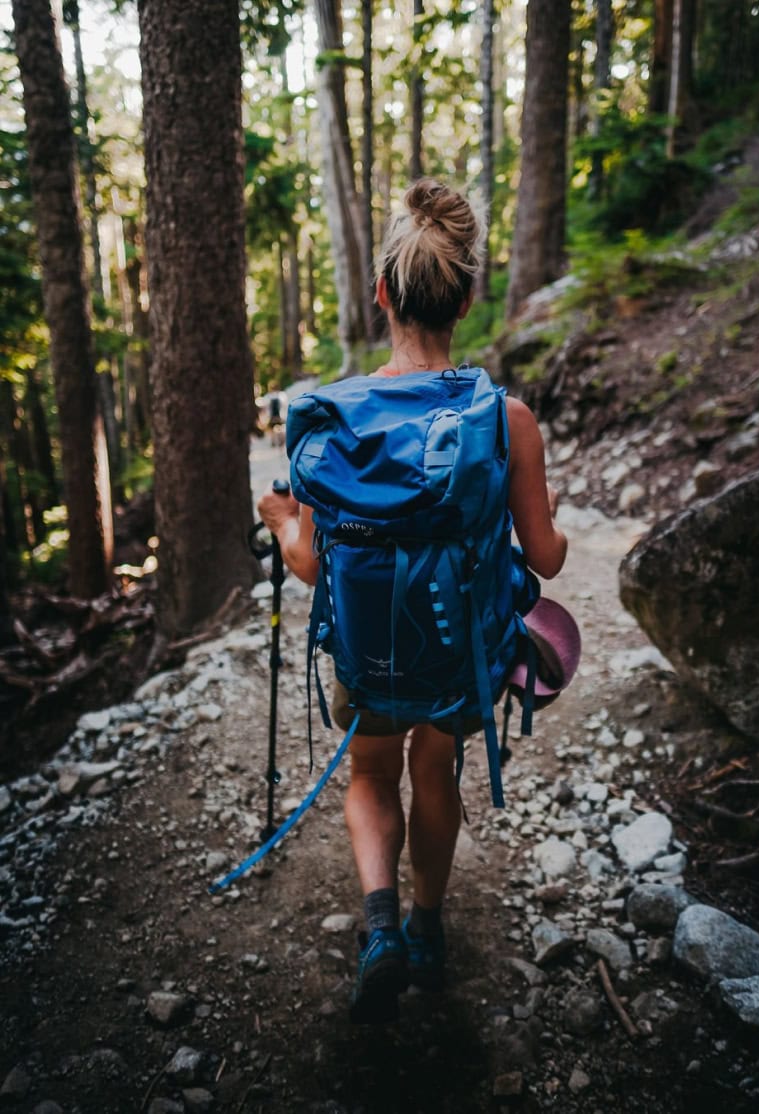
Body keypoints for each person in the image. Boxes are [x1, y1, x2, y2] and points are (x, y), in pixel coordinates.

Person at [257, 178, 567, 1023]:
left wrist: (287, 521)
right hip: (458, 651)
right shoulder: (505, 419)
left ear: (383, 293)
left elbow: (313, 567)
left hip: (367, 649)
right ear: (468, 297)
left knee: (369, 770)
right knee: (436, 772)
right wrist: (554, 532)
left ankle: (382, 926)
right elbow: (544, 555)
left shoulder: (328, 418)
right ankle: (429, 929)